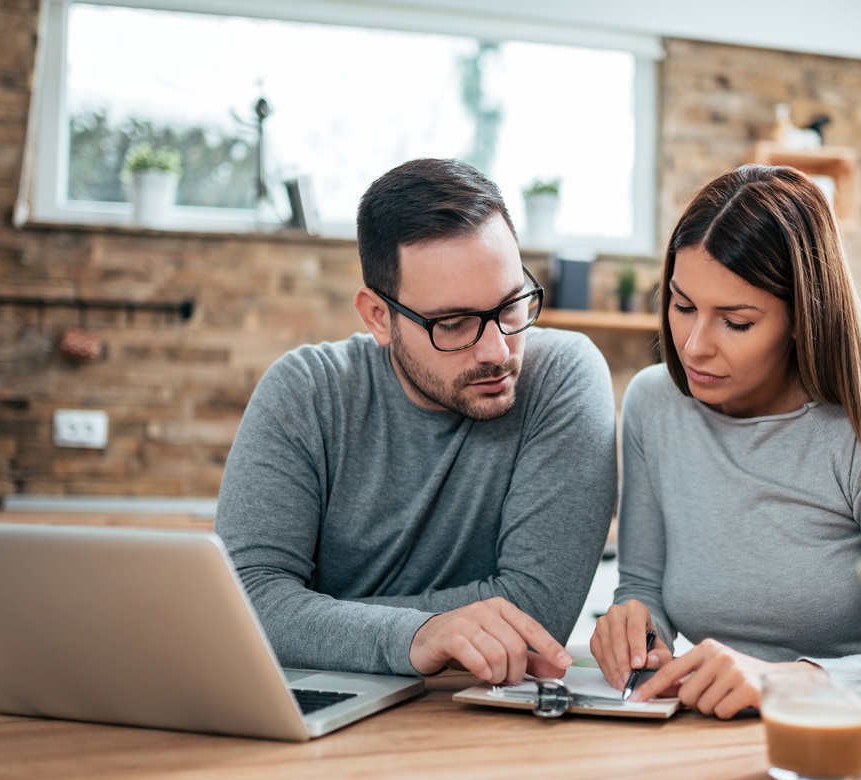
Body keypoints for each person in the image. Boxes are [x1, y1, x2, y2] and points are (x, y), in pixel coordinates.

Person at [215, 158, 618, 686]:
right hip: (318, 709)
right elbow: (246, 604)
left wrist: (316, 618)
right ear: (379, 317)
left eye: (512, 305)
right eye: (453, 324)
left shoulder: (563, 377)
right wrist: (418, 634)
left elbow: (535, 612)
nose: (498, 351)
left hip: (482, 716)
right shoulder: (307, 392)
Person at [590, 164, 861, 719]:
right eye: (682, 307)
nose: (694, 346)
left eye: (736, 322)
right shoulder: (653, 406)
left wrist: (788, 682)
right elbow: (643, 587)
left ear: (803, 319)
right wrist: (635, 624)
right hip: (724, 740)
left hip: (858, 747)